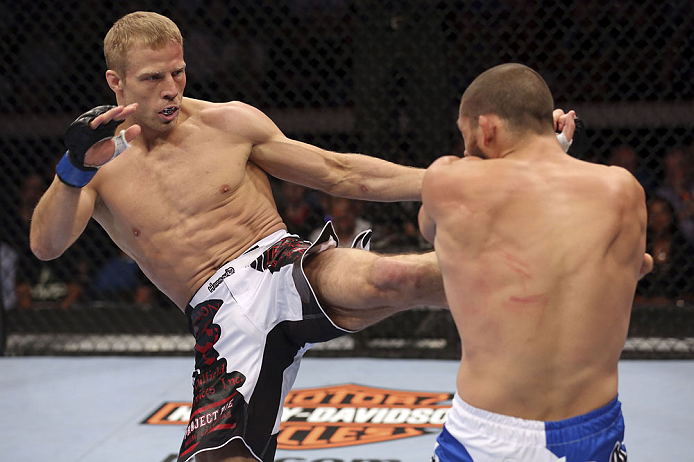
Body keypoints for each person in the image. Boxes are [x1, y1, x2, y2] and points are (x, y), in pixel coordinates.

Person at [29, 11, 450, 462]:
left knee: (388, 277)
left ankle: (519, 269)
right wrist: (74, 171)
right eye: (152, 78)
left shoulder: (228, 123)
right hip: (216, 319)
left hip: (277, 265)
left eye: (178, 71)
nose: (170, 88)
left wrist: (448, 184)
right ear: (117, 82)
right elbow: (46, 245)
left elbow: (339, 173)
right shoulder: (96, 163)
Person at [419, 63, 653, 461]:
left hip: (482, 435)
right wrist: (552, 146)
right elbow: (621, 262)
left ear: (486, 128)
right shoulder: (623, 191)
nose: (464, 148)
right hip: (592, 432)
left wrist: (544, 148)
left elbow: (430, 230)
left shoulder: (450, 181)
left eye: (466, 135)